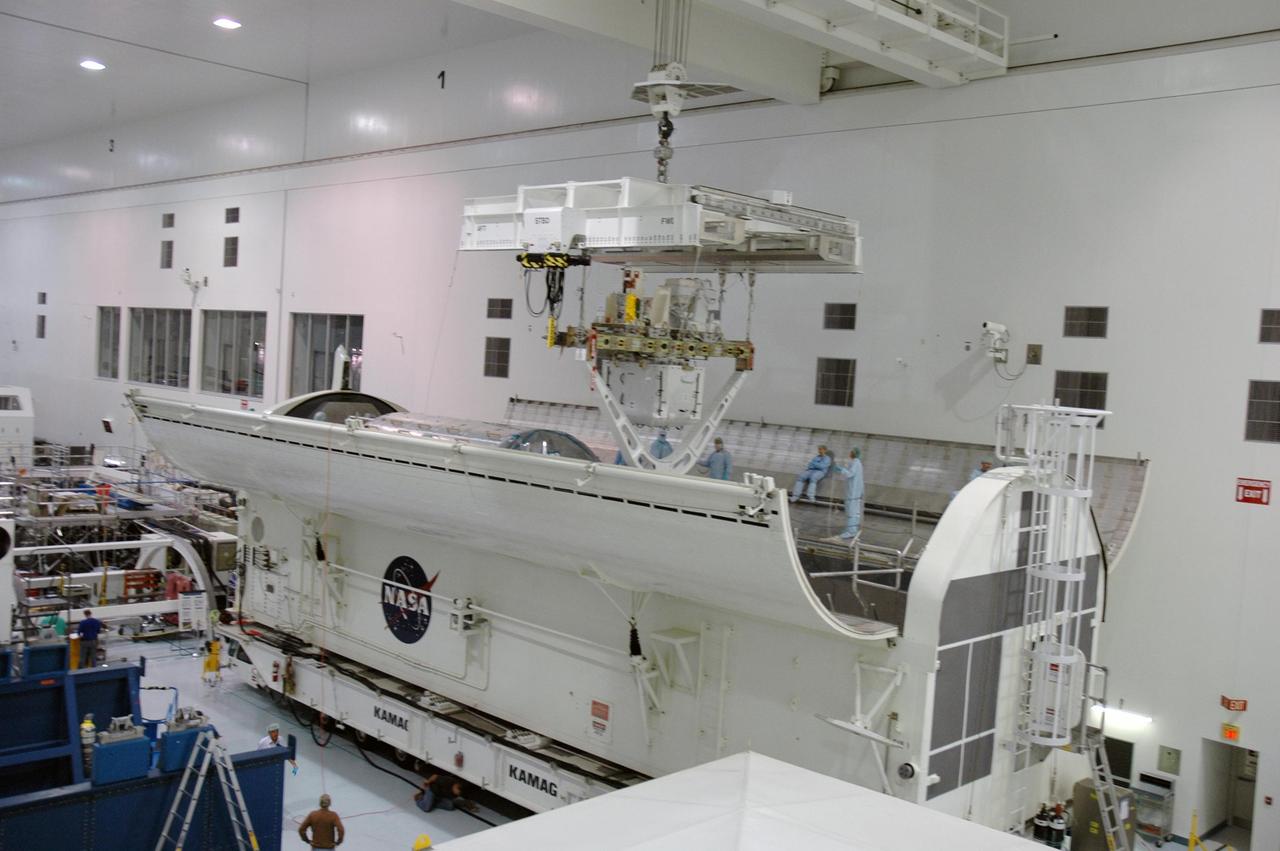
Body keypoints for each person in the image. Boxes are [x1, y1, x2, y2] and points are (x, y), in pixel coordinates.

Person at [823, 448, 865, 544]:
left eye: (850, 452)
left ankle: (850, 532)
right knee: (854, 513)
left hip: (853, 493)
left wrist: (840, 469)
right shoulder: (857, 463)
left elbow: (850, 474)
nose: (849, 453)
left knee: (851, 513)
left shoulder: (856, 463)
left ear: (853, 453)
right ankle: (851, 530)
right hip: (855, 492)